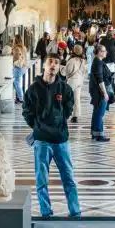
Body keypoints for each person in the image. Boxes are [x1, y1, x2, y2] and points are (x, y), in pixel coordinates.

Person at [23, 55, 81, 219]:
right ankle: (46, 212)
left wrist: (61, 121)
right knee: (41, 180)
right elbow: (27, 110)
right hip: (42, 141)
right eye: (50, 62)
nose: (54, 65)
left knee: (68, 178)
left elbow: (69, 107)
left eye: (57, 63)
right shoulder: (33, 89)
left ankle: (75, 211)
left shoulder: (64, 88)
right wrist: (37, 126)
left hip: (61, 140)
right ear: (44, 65)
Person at [88, 45, 112, 141]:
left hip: (97, 91)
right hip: (99, 91)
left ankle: (95, 133)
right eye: (104, 50)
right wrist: (105, 93)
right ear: (99, 52)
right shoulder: (98, 62)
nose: (106, 52)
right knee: (100, 113)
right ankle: (99, 135)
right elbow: (100, 79)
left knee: (97, 112)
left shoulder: (98, 61)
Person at [62, 44, 88, 124]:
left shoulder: (72, 60)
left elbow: (66, 72)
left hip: (72, 81)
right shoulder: (84, 61)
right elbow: (85, 72)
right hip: (80, 81)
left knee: (66, 98)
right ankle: (75, 116)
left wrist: (61, 67)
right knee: (77, 98)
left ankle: (64, 114)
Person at [11, 35, 28, 104]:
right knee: (17, 82)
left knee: (16, 83)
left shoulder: (16, 48)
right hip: (23, 67)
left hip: (18, 67)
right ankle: (18, 98)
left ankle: (21, 98)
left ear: (16, 40)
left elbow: (15, 58)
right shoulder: (24, 47)